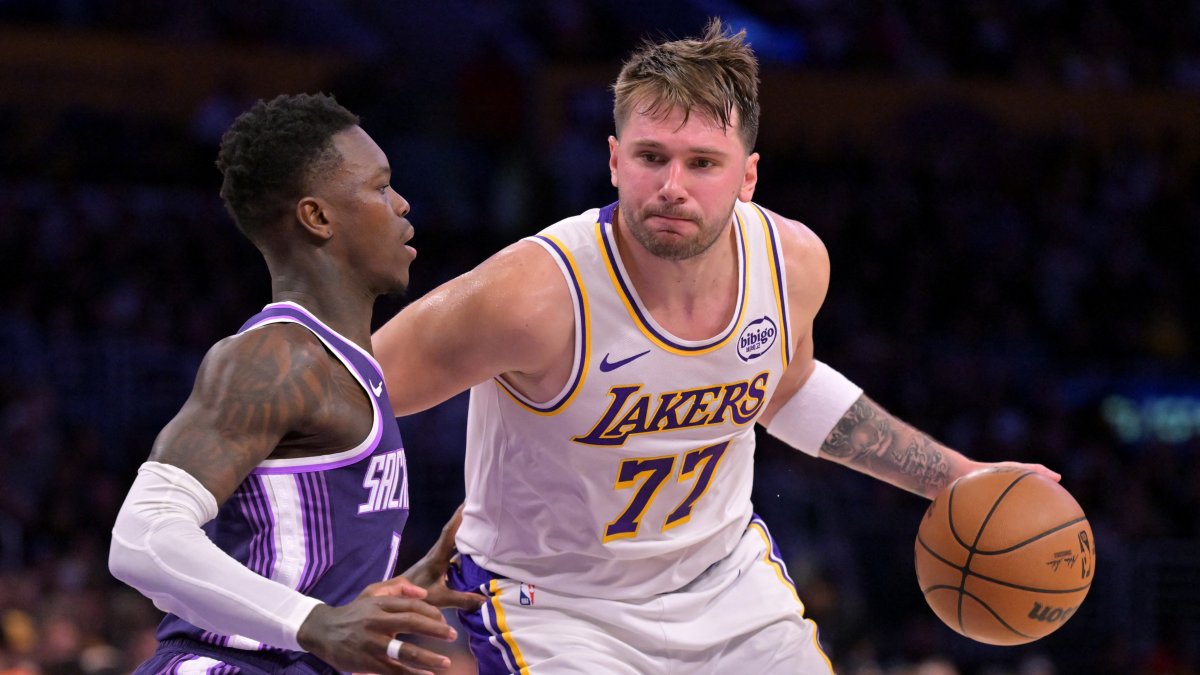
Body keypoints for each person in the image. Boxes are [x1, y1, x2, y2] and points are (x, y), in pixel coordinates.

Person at [371, 19, 1060, 674]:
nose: (672, 187)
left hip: (725, 583)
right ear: (614, 161)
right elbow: (345, 393)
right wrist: (339, 590)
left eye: (703, 162)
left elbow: (787, 388)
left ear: (748, 176)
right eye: (651, 157)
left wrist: (954, 476)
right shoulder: (530, 293)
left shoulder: (791, 262)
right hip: (556, 604)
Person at [108, 93, 482, 675]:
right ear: (318, 217)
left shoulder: (348, 366)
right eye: (381, 187)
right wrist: (317, 623)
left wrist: (392, 592)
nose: (402, 204)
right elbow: (141, 537)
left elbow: (293, 585)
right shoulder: (277, 359)